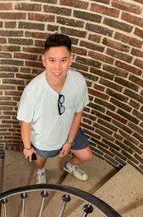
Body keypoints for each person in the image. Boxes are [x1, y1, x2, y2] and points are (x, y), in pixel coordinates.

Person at [17, 33, 93, 183]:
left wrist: (69, 141)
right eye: (52, 60)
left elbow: (78, 113)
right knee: (40, 161)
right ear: (44, 60)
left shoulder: (78, 81)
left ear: (70, 60)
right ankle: (40, 171)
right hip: (45, 140)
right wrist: (27, 147)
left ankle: (69, 165)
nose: (57, 67)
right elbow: (25, 122)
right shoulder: (32, 90)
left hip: (69, 131)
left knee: (86, 156)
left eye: (63, 60)